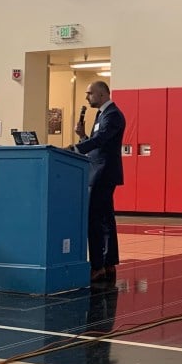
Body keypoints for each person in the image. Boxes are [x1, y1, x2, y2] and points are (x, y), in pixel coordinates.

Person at [69, 81, 126, 284]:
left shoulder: (113, 115)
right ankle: (109, 262)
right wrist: (83, 136)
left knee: (94, 218)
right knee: (105, 218)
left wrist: (76, 148)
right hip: (99, 170)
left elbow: (101, 139)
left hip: (103, 173)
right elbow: (97, 142)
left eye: (89, 93)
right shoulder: (101, 114)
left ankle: (98, 266)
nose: (87, 97)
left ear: (102, 94)